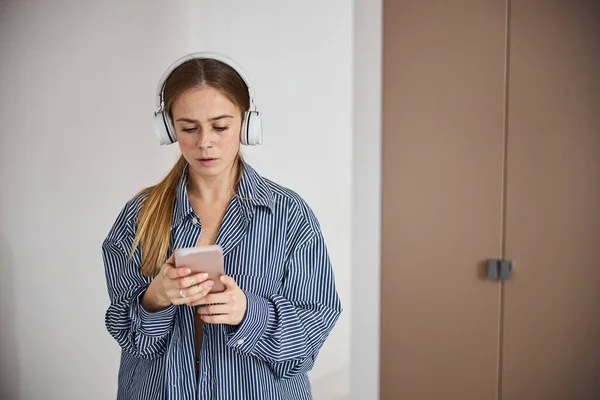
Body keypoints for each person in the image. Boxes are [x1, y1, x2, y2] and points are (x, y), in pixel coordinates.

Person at [101, 52, 342, 400]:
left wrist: (249, 313)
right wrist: (156, 297)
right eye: (188, 128)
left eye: (220, 126)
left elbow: (312, 331)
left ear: (246, 123)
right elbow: (133, 340)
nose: (205, 142)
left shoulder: (288, 214)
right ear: (168, 128)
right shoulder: (139, 216)